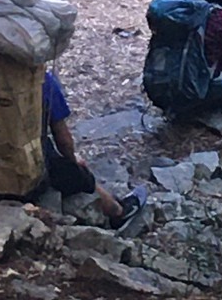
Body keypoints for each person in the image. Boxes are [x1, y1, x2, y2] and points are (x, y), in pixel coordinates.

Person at [43, 70, 147, 230]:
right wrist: (73, 161)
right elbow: (63, 141)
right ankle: (117, 211)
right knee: (78, 173)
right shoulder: (42, 80)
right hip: (33, 167)